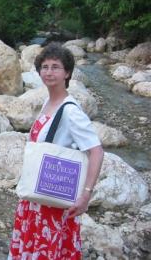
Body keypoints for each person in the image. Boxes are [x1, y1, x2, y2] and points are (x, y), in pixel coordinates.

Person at [8, 43, 104, 260]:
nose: (49, 72)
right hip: (38, 191)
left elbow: (97, 151)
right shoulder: (48, 101)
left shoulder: (70, 111)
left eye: (55, 67)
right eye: (45, 66)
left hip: (54, 194)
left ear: (67, 72)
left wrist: (86, 194)